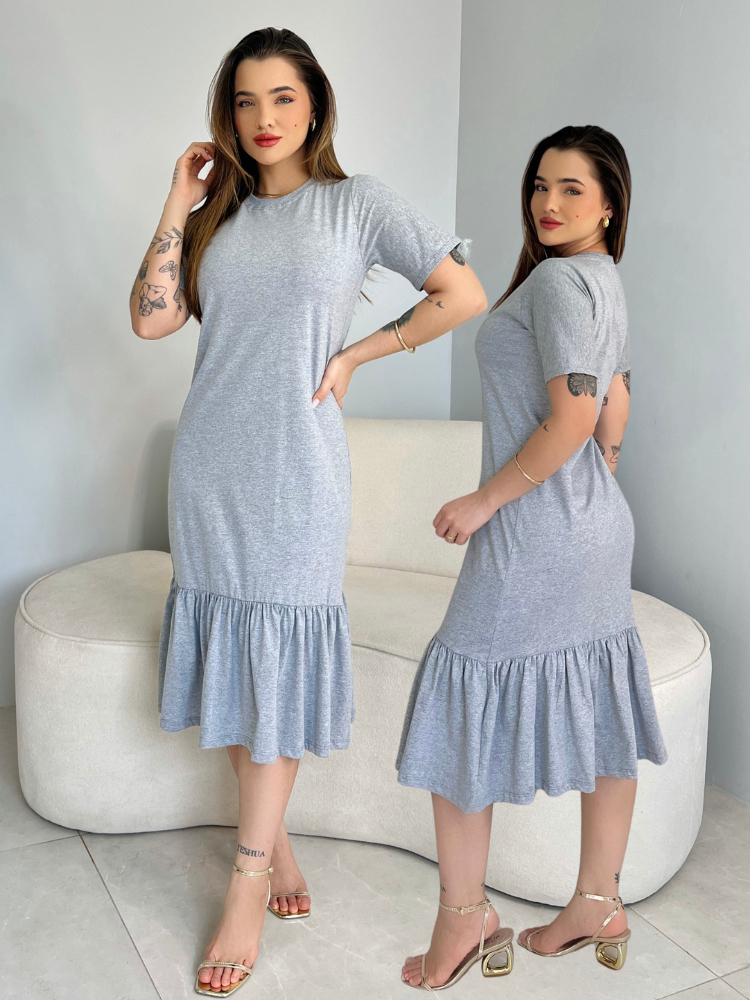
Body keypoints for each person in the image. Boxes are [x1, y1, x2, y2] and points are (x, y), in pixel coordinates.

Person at [129, 26, 486, 998]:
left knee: (277, 664)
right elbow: (153, 319)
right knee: (236, 654)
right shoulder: (217, 218)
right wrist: (177, 200)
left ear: (316, 104)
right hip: (209, 470)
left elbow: (461, 291)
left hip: (298, 475)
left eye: (282, 97)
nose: (264, 118)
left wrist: (360, 354)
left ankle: (246, 880)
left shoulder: (356, 204)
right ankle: (276, 846)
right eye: (245, 101)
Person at [397, 125, 668, 990]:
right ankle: (598, 901)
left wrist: (484, 501)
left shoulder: (556, 282)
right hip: (595, 528)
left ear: (609, 204)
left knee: (458, 703)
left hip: (536, 535)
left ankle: (465, 919)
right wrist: (597, 479)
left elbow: (576, 416)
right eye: (540, 186)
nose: (547, 203)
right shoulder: (603, 279)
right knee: (603, 704)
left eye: (571, 189)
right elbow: (614, 409)